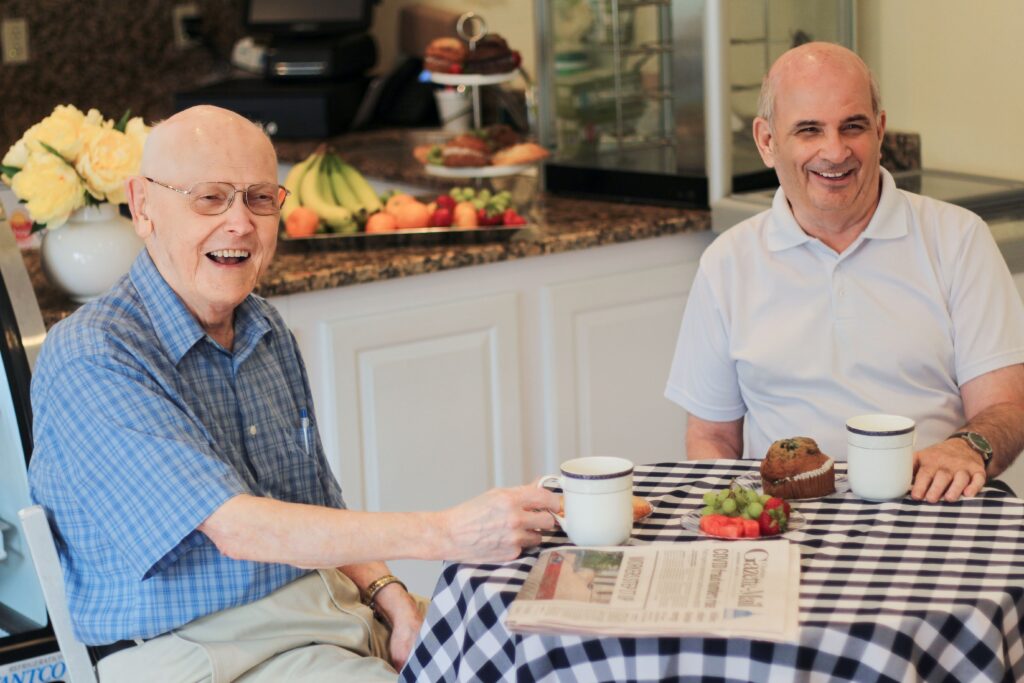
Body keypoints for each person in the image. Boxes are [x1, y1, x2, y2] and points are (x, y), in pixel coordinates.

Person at [28, 105, 560, 682]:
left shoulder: (263, 327)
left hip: (327, 616)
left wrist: (390, 597)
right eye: (210, 198)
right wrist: (449, 534)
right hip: (196, 651)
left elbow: (316, 512)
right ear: (143, 207)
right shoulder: (93, 353)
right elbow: (237, 528)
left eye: (259, 198)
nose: (239, 223)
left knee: (540, 644)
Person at [665, 42, 1024, 504]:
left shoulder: (959, 239)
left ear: (879, 129)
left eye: (852, 126)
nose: (834, 152)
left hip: (932, 504)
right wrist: (734, 518)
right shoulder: (726, 262)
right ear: (767, 142)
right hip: (787, 518)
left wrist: (966, 447)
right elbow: (712, 436)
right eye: (809, 130)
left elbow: (1006, 407)